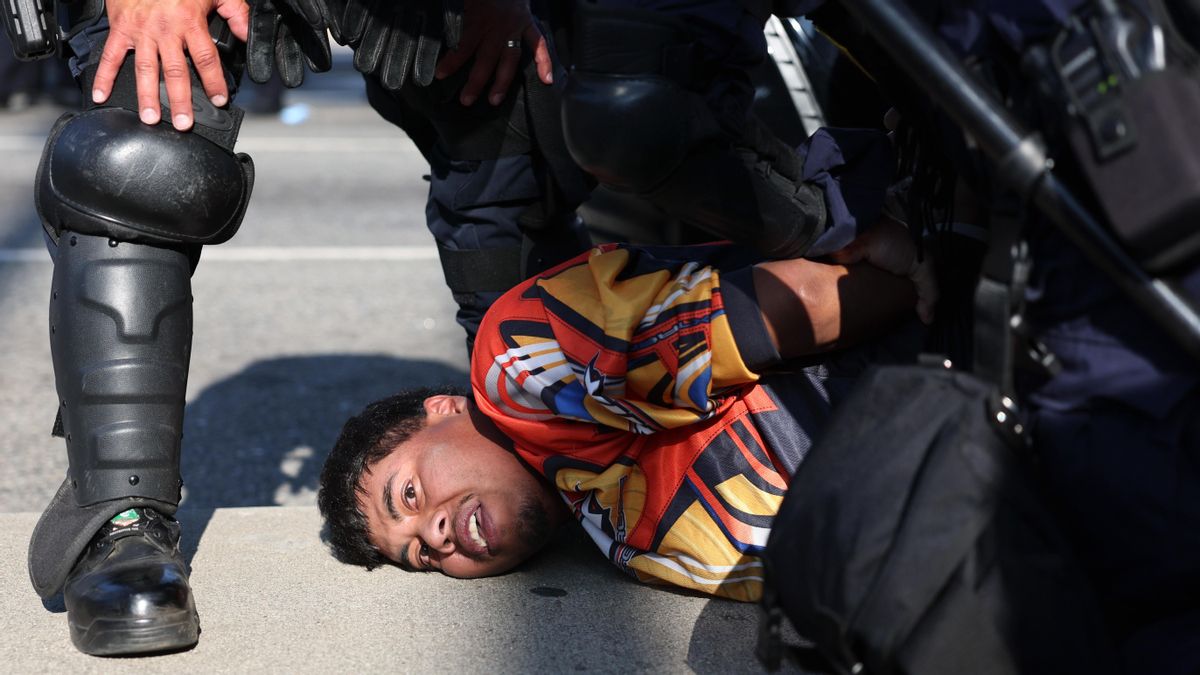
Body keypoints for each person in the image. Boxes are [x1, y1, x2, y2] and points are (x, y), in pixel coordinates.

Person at [318, 218, 927, 599]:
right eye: (420, 554)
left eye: (410, 497)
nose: (436, 534)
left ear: (445, 409)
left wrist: (938, 281)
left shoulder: (519, 364)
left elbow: (773, 312)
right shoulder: (605, 531)